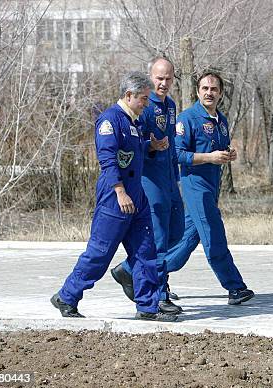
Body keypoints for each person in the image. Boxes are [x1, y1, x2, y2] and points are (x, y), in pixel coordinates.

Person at [50, 71, 178, 322]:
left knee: (145, 252)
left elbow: (133, 151)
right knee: (100, 252)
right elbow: (108, 161)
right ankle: (67, 296)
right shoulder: (110, 121)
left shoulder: (134, 122)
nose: (145, 103)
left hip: (136, 196)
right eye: (143, 98)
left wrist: (151, 146)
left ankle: (148, 306)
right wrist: (119, 192)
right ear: (129, 95)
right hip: (115, 197)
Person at [166, 70, 254, 305]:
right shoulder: (187, 119)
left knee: (185, 242)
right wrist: (209, 157)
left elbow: (219, 151)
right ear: (197, 91)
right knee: (214, 235)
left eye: (214, 89)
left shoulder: (221, 121)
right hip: (195, 187)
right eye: (205, 88)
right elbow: (177, 154)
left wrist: (228, 154)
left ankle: (138, 272)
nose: (209, 93)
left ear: (221, 93)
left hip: (212, 187)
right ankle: (235, 288)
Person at [110, 57, 184, 314]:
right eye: (158, 78)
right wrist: (150, 146)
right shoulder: (143, 105)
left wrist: (176, 177)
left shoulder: (171, 106)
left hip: (169, 178)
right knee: (159, 238)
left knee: (178, 231)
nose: (163, 84)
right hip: (149, 179)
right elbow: (132, 145)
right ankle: (158, 293)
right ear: (150, 77)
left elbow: (172, 143)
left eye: (168, 78)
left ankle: (128, 270)